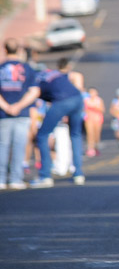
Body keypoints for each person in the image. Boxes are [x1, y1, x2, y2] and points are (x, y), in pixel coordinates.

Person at [9, 58, 87, 187]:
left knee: (42, 135)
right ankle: (78, 174)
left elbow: (34, 93)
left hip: (61, 101)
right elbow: (74, 77)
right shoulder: (54, 73)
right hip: (77, 98)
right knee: (75, 135)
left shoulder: (35, 78)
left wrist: (18, 106)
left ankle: (45, 176)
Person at [0, 39, 37, 190]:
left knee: (2, 146)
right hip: (22, 113)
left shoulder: (1, 67)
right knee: (19, 146)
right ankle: (16, 178)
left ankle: (1, 179)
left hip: (3, 113)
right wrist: (18, 106)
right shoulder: (27, 68)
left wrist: (7, 107)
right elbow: (34, 91)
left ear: (5, 50)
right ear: (19, 50)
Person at [83, 87, 105, 157]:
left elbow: (102, 109)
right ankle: (90, 148)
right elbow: (83, 109)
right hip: (89, 119)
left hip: (97, 119)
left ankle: (96, 147)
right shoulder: (86, 100)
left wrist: (94, 108)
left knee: (96, 135)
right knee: (90, 134)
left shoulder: (99, 100)